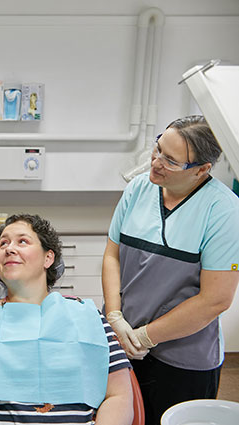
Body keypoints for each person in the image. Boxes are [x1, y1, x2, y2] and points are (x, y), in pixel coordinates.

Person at [102, 115, 239, 425]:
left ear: (202, 169)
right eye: (158, 149)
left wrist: (146, 337)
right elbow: (112, 254)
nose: (156, 163)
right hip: (121, 338)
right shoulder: (138, 189)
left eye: (171, 161)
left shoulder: (224, 211)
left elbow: (215, 300)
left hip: (182, 358)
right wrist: (114, 316)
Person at [0, 213, 134, 425]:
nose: (9, 248)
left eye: (22, 241)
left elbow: (119, 396)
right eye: (3, 243)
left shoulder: (87, 316)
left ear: (48, 258)